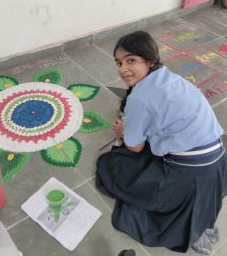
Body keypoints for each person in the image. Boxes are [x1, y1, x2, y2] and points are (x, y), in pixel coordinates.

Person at [96, 31, 227, 254]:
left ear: (150, 60)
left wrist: (122, 131)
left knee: (111, 163)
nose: (122, 69)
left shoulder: (139, 97)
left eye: (131, 60)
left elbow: (135, 147)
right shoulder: (174, 79)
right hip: (218, 166)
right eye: (119, 62)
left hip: (188, 178)